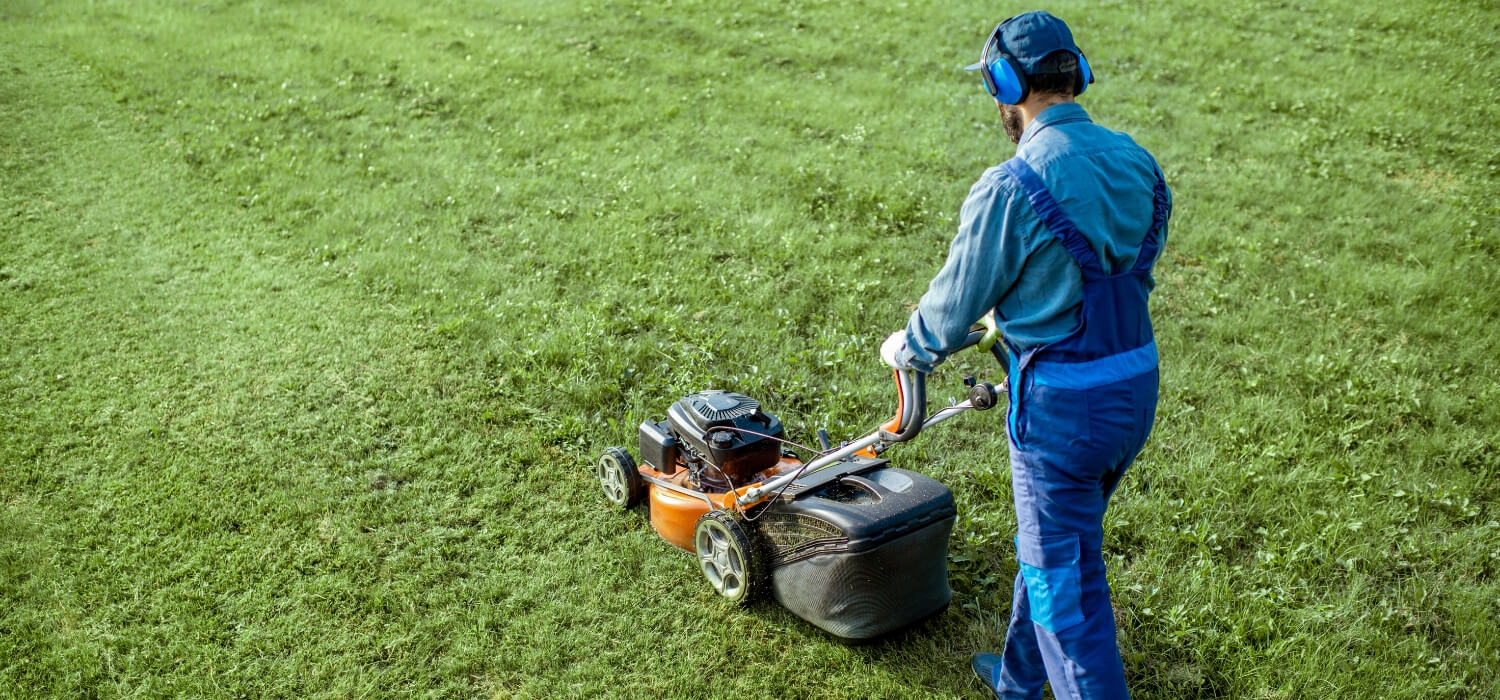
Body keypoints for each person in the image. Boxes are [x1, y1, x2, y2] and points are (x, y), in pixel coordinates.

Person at [879, 11, 1171, 700]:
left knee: (1065, 590)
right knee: (1057, 547)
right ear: (1078, 75)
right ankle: (1018, 680)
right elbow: (1109, 272)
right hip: (1134, 387)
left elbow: (951, 308)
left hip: (1064, 413)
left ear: (1005, 84)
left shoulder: (1013, 186)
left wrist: (909, 346)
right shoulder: (1138, 161)